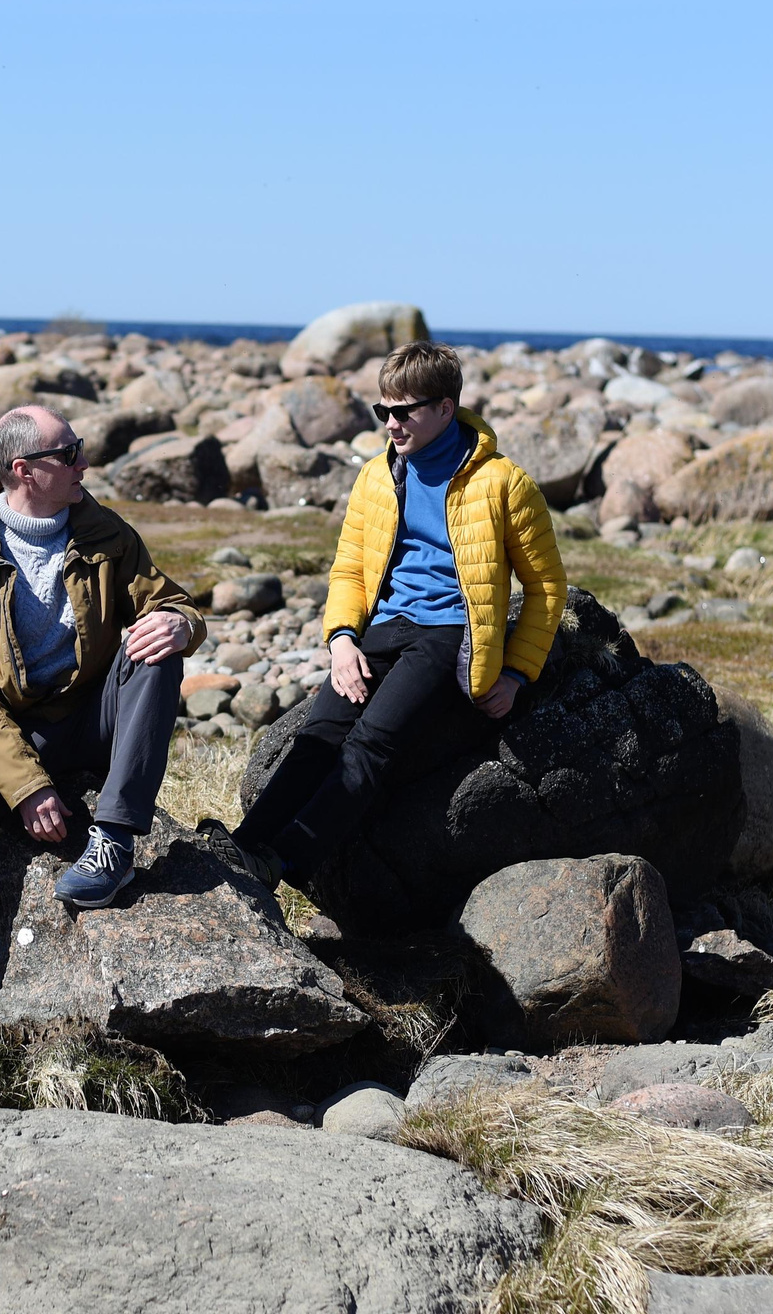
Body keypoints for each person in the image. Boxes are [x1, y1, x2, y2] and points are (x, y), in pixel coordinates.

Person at [226, 340, 567, 900]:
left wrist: (516, 674)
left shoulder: (505, 483)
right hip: (382, 627)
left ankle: (285, 862)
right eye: (381, 410)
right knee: (318, 734)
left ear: (445, 408)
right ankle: (244, 845)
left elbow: (546, 586)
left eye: (403, 411)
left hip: (449, 636)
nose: (390, 423)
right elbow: (349, 571)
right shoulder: (376, 478)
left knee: (372, 745)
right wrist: (340, 640)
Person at [0, 404, 205, 1023]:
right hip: (14, 727)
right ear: (24, 470)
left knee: (155, 650)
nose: (84, 463)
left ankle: (115, 841)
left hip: (92, 713)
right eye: (69, 454)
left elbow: (169, 600)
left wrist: (181, 623)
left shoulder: (105, 532)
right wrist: (27, 786)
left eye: (80, 448)